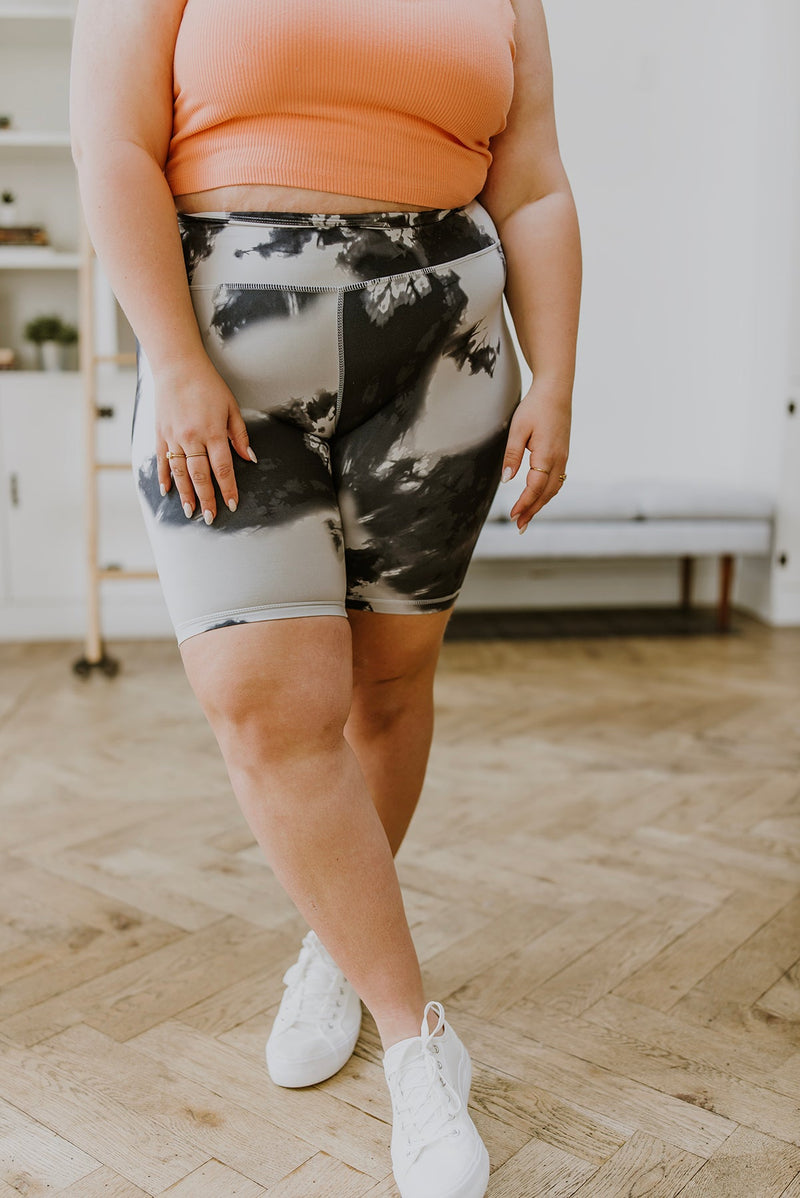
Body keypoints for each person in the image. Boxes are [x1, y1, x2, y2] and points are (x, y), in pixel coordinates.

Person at [70, 1, 580, 1194]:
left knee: (388, 688)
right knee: (262, 702)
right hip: (225, 353)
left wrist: (556, 376)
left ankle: (333, 951)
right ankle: (417, 1039)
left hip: (441, 363)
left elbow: (536, 182)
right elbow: (112, 147)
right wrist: (173, 359)